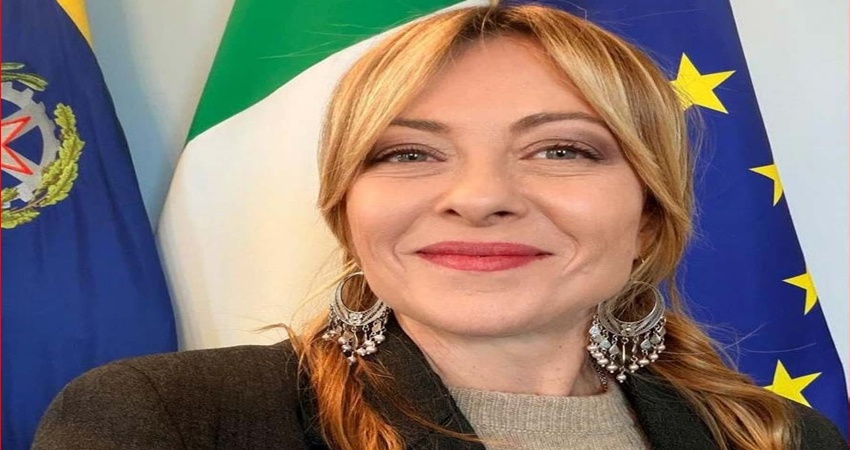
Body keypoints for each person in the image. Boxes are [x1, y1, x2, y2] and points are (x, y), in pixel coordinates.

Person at [33, 4, 845, 450]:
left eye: (561, 149)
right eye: (409, 154)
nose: (480, 197)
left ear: (647, 215)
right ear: (347, 211)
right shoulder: (168, 421)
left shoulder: (776, 436)